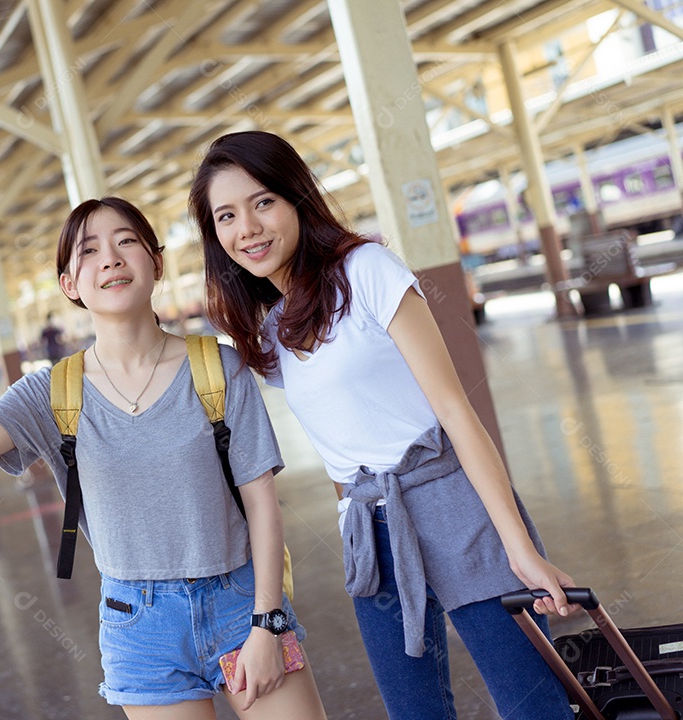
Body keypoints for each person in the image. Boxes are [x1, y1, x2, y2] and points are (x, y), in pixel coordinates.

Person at [188, 131, 580, 720]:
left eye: (263, 201)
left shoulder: (366, 269)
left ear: (297, 198)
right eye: (227, 215)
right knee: (414, 712)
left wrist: (519, 549)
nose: (248, 227)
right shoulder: (272, 333)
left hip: (452, 503)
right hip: (368, 531)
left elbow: (454, 410)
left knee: (533, 706)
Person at [0, 196, 329, 719]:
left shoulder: (216, 365)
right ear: (70, 284)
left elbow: (262, 504)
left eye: (126, 242)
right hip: (137, 624)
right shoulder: (53, 392)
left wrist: (267, 621)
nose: (111, 259)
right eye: (89, 250)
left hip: (242, 602)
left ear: (156, 262)